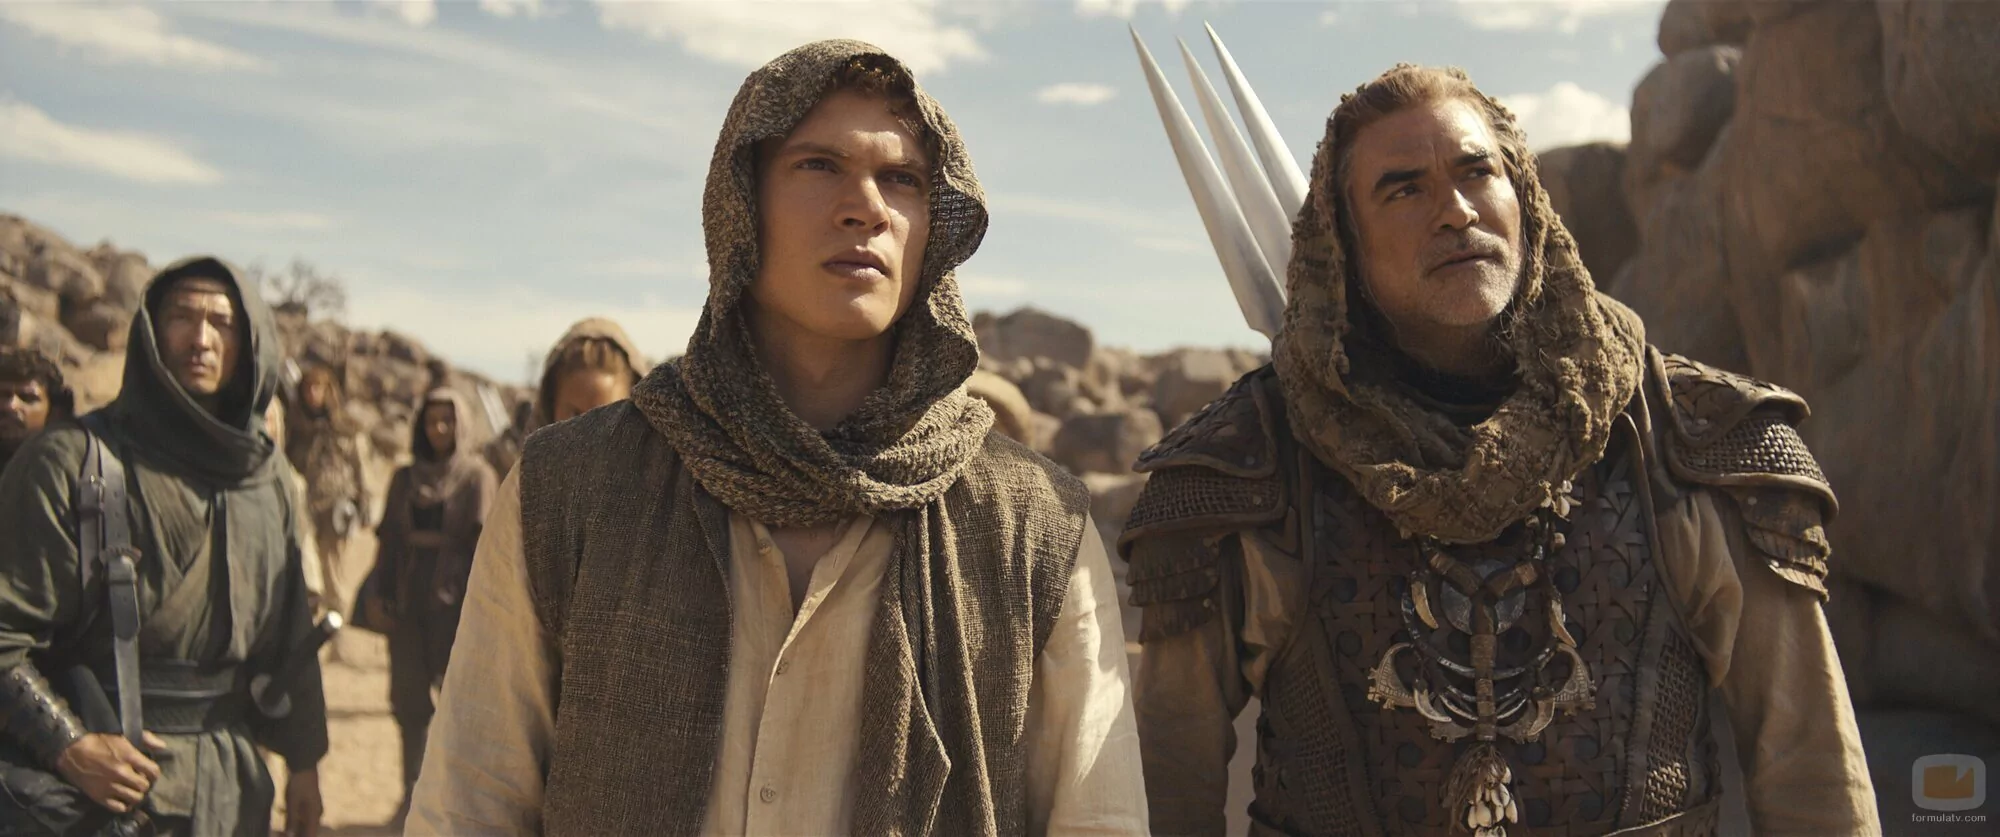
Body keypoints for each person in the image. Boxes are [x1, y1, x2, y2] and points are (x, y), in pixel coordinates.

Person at [408, 40, 1148, 835]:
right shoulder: (571, 488)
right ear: (741, 204)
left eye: (902, 178)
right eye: (819, 165)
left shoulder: (1035, 528)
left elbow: (1099, 819)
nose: (866, 206)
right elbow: (470, 803)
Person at [1122, 65, 1878, 836]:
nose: (1455, 211)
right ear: (1344, 241)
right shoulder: (1253, 467)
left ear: (1525, 199)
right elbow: (1166, 781)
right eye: (1404, 190)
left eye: (1477, 172)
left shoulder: (1687, 439)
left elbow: (1810, 770)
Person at [0, 257, 326, 837]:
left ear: (250, 341)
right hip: (104, 794)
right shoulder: (71, 461)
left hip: (232, 790)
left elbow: (290, 634)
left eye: (221, 322)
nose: (201, 339)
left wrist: (304, 763)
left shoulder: (268, 476)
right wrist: (68, 745)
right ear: (150, 332)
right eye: (181, 317)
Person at [362, 389, 494, 816]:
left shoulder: (476, 477)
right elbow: (388, 541)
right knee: (410, 705)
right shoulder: (404, 478)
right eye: (431, 420)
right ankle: (411, 798)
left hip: (455, 607)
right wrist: (378, 592)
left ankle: (458, 804)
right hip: (408, 602)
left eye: (447, 421)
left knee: (461, 706)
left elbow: (485, 549)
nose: (438, 429)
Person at [282, 366, 370, 617]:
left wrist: (363, 504)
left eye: (318, 388)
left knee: (332, 570)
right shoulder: (295, 429)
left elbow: (360, 467)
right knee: (306, 567)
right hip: (303, 507)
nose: (312, 393)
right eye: (308, 388)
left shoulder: (345, 429)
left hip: (335, 506)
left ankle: (336, 622)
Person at [0, 346, 73, 474]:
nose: (10, 405)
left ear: (54, 412)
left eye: (27, 398)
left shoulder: (69, 467)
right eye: (2, 395)